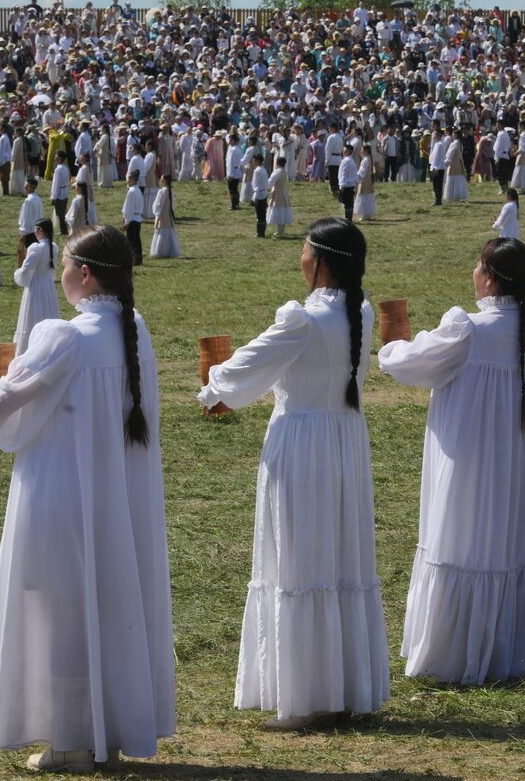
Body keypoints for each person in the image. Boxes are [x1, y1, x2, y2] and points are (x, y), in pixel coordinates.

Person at [0, 224, 174, 773]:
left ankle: (69, 740)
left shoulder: (62, 336)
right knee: (108, 604)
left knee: (61, 611)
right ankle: (104, 732)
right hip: (121, 498)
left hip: (62, 494)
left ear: (83, 274)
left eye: (65, 264)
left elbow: (4, 404)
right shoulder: (134, 329)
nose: (60, 274)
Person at [197, 217, 389, 729]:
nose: (299, 259)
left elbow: (244, 368)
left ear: (321, 261)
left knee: (300, 559)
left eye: (305, 251)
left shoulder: (302, 319)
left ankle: (310, 697)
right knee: (338, 556)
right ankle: (341, 685)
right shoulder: (360, 312)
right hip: (344, 439)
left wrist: (214, 387)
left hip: (303, 444)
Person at [377, 238, 525, 684]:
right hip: (519, 456)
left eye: (478, 267)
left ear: (491, 277)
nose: (473, 274)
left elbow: (411, 365)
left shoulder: (468, 329)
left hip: (472, 462)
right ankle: (515, 647)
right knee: (513, 538)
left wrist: (392, 346)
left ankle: (456, 653)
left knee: (467, 538)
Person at [13, 219, 60, 356]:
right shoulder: (53, 247)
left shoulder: (36, 248)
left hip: (36, 286)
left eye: (36, 229)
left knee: (33, 318)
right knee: (47, 314)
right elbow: (52, 269)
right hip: (48, 286)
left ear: (41, 231)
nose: (34, 232)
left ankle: (29, 352)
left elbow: (26, 268)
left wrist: (19, 275)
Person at [150, 176, 179, 259]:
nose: (160, 179)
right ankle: (169, 250)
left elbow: (158, 204)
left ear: (165, 180)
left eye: (162, 178)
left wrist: (157, 214)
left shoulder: (162, 191)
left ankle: (161, 251)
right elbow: (173, 205)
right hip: (168, 215)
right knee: (168, 232)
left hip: (162, 215)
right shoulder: (170, 191)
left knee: (161, 232)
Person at [121, 172, 144, 265]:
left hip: (132, 218)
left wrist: (126, 221)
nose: (128, 181)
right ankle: (138, 258)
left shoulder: (131, 191)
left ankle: (134, 259)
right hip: (138, 218)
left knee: (131, 241)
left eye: (129, 179)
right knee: (137, 240)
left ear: (133, 180)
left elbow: (128, 208)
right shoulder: (138, 190)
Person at [269, 157, 294, 238]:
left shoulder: (277, 172)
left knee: (278, 210)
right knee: (282, 210)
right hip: (283, 191)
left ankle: (279, 231)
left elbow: (270, 182)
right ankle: (281, 230)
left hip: (278, 192)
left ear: (277, 163)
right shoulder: (284, 171)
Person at [337, 144, 359, 221]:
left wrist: (342, 185)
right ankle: (349, 217)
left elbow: (343, 173)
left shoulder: (345, 161)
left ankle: (347, 218)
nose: (343, 152)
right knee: (350, 202)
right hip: (351, 184)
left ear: (347, 152)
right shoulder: (352, 161)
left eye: (344, 151)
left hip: (346, 185)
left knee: (346, 202)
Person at [353, 147, 376, 221]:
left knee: (363, 196)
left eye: (362, 150)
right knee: (367, 196)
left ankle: (364, 214)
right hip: (367, 180)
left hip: (364, 180)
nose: (360, 151)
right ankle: (367, 214)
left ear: (366, 151)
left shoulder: (365, 160)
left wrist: (355, 176)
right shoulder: (368, 159)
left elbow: (362, 171)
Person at [251, 156, 269, 238]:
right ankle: (263, 232)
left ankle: (259, 233)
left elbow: (254, 184)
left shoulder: (257, 170)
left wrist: (255, 197)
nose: (253, 162)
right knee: (263, 214)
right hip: (264, 193)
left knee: (259, 215)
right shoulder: (264, 169)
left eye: (254, 160)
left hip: (258, 193)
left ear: (257, 161)